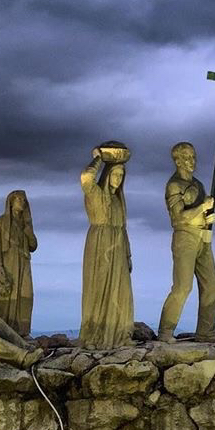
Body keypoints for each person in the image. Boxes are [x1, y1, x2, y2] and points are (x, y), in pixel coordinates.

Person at [157, 142, 215, 342]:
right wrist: (202, 208)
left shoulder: (198, 185)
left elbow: (202, 213)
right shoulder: (174, 185)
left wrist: (208, 217)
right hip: (185, 237)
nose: (192, 161)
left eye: (193, 156)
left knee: (211, 286)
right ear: (177, 160)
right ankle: (166, 331)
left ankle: (205, 332)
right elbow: (178, 218)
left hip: (203, 238)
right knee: (183, 286)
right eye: (187, 157)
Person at [79, 143, 133, 349]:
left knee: (121, 291)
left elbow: (123, 228)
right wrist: (99, 158)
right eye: (115, 174)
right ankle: (94, 336)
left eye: (121, 176)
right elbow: (86, 177)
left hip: (118, 246)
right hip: (99, 243)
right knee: (98, 290)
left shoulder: (119, 201)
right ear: (108, 175)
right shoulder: (96, 194)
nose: (118, 180)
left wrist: (128, 255)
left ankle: (120, 334)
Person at [0, 190, 37, 336]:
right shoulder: (1, 222)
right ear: (11, 202)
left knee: (25, 293)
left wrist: (29, 233)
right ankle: (1, 331)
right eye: (19, 199)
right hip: (8, 263)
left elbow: (33, 246)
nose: (22, 202)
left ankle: (22, 331)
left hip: (24, 264)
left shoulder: (25, 224)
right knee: (6, 294)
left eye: (24, 200)